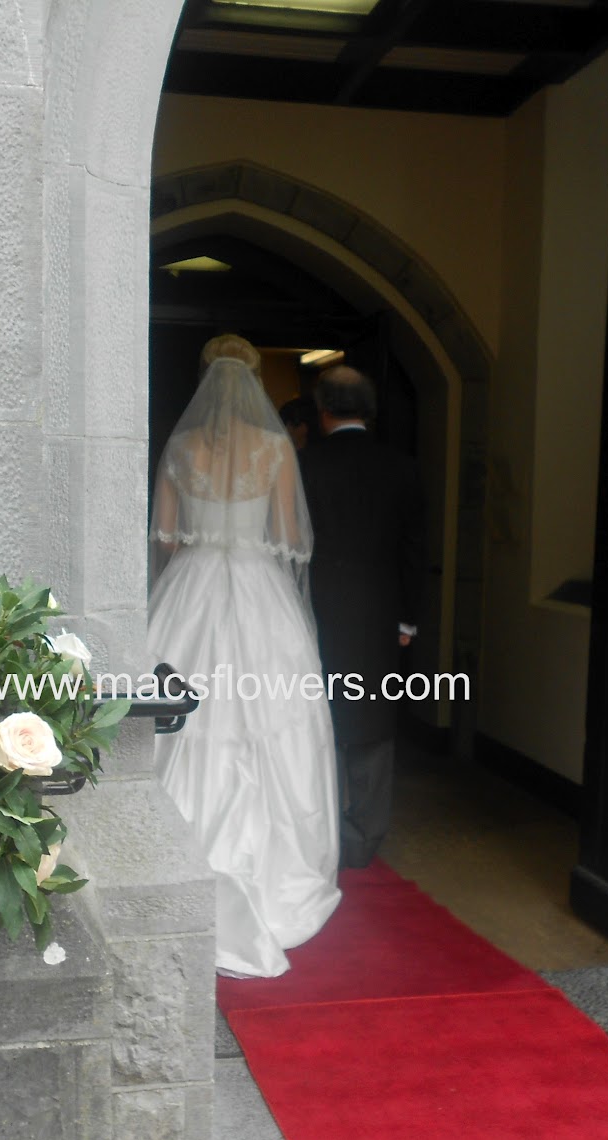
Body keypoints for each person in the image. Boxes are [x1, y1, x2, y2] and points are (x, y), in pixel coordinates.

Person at [147, 334, 342, 978]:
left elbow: (167, 539)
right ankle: (272, 872)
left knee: (186, 717)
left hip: (192, 586)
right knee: (271, 722)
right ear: (255, 382)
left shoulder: (180, 447)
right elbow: (289, 536)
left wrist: (203, 559)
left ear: (204, 378)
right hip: (259, 588)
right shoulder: (276, 446)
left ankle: (179, 857)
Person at [300, 365, 425, 870]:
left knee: (320, 718)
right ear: (368, 410)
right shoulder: (401, 466)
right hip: (379, 612)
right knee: (373, 721)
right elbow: (414, 551)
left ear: (322, 409)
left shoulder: (303, 464)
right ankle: (365, 836)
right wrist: (409, 621)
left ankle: (324, 829)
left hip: (317, 608)